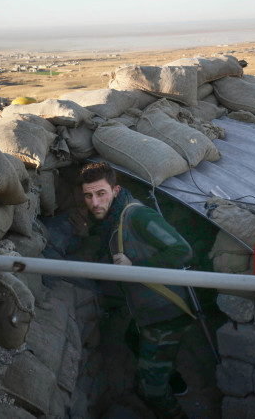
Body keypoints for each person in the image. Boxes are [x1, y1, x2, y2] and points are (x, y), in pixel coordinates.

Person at [79, 162, 194, 418]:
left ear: (116, 190)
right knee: (133, 338)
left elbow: (182, 250)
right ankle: (174, 381)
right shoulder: (114, 220)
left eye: (101, 194)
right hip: (148, 311)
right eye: (88, 195)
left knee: (151, 391)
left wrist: (136, 266)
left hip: (165, 311)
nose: (95, 202)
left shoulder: (136, 216)